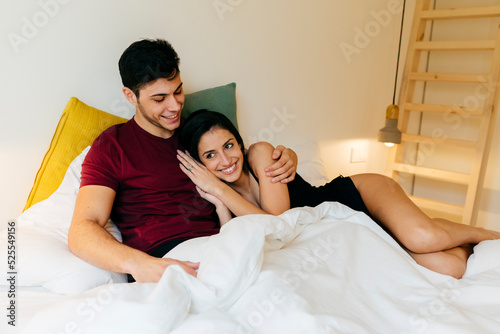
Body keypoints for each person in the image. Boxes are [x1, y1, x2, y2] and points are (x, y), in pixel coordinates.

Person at [67, 39, 299, 283]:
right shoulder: (112, 146)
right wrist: (139, 264)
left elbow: (237, 165)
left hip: (224, 244)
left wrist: (286, 157)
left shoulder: (197, 134)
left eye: (178, 91)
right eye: (159, 99)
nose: (175, 105)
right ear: (130, 96)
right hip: (165, 257)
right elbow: (83, 229)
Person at [177, 110, 500, 279]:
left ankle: (487, 234)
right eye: (210, 156)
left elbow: (277, 222)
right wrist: (218, 200)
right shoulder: (223, 201)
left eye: (229, 145)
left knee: (421, 236)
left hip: (356, 197)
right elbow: (234, 238)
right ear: (200, 165)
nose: (226, 159)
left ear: (240, 141)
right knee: (449, 268)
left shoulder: (260, 154)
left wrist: (218, 187)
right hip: (347, 238)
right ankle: (460, 243)